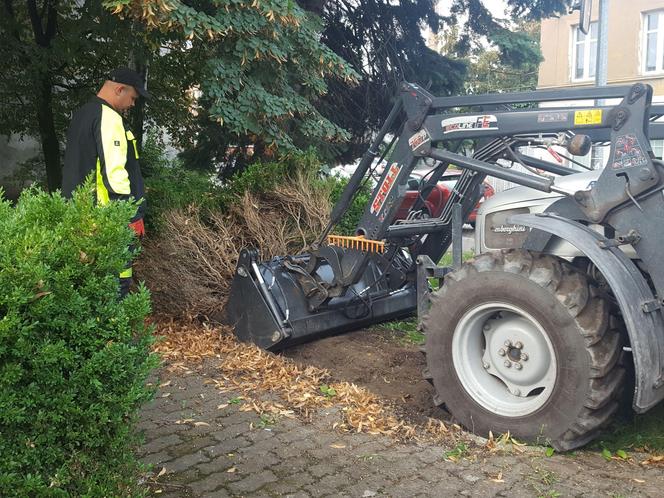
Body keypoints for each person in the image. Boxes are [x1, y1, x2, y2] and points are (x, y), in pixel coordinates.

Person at [62, 67, 151, 297]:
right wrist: (131, 216)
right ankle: (115, 330)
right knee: (118, 278)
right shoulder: (109, 118)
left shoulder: (82, 114)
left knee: (91, 280)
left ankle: (98, 330)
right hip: (108, 217)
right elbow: (115, 174)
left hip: (81, 214)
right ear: (119, 89)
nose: (132, 104)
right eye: (132, 98)